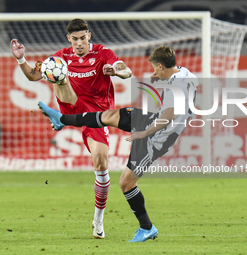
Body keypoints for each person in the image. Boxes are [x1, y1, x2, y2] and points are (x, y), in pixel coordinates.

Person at [38, 45, 198, 242]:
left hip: (158, 136)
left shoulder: (177, 84)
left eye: (155, 69)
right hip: (153, 120)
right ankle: (61, 119)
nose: (153, 72)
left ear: (161, 66)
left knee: (126, 183)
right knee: (109, 115)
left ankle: (147, 228)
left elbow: (170, 114)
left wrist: (144, 133)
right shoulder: (185, 73)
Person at [11, 18, 132, 239]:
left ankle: (98, 219)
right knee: (58, 73)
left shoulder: (103, 53)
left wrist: (114, 72)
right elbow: (32, 75)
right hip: (72, 104)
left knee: (101, 163)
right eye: (74, 39)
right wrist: (21, 60)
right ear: (69, 39)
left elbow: (126, 71)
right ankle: (61, 117)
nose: (79, 42)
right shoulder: (61, 56)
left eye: (82, 38)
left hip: (96, 116)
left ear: (89, 36)